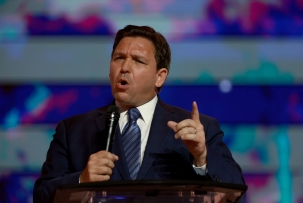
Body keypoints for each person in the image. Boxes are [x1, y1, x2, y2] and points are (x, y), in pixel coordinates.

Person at [33, 25, 246, 203]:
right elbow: (41, 196)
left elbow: (237, 194)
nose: (124, 67)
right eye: (118, 58)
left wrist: (202, 158)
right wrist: (81, 180)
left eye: (138, 61)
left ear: (160, 77)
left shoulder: (197, 129)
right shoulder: (73, 131)